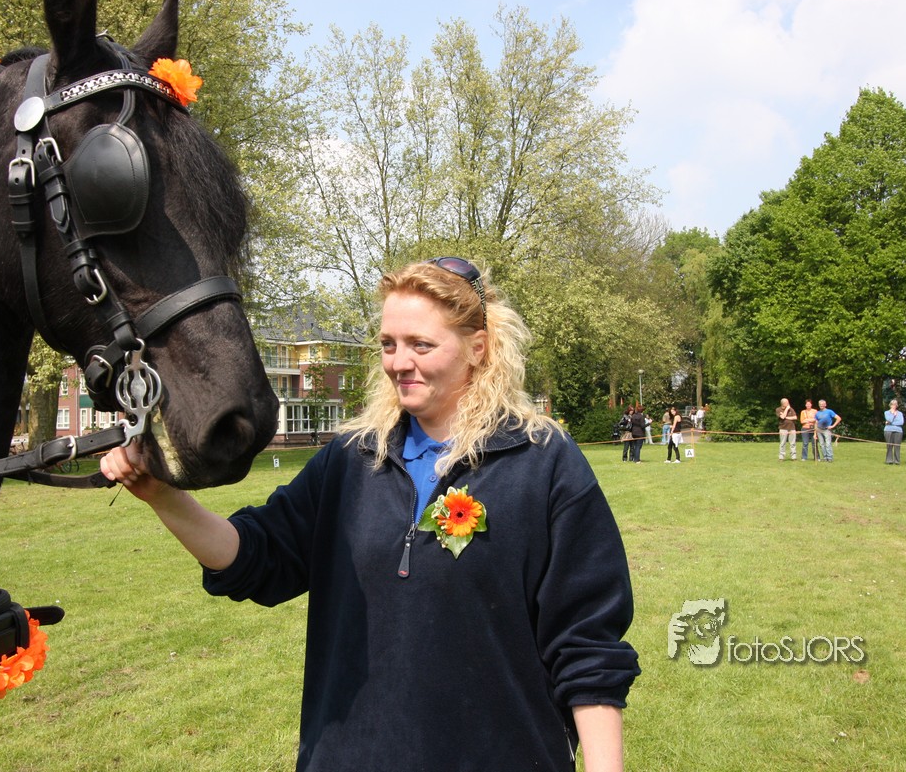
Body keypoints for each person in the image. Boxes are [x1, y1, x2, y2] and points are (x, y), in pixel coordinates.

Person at [101, 258, 639, 772]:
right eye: (388, 344)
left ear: (478, 348)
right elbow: (254, 557)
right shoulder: (351, 460)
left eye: (421, 344)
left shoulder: (543, 463)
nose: (399, 362)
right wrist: (163, 495)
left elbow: (587, 649)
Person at [883, 399, 904, 464]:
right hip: (888, 430)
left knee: (897, 446)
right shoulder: (886, 412)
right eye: (892, 404)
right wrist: (893, 415)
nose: (893, 406)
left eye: (895, 404)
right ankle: (889, 460)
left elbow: (901, 422)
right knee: (889, 446)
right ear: (890, 405)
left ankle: (897, 461)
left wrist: (890, 423)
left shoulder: (900, 413)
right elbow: (889, 419)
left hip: (898, 431)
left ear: (897, 405)